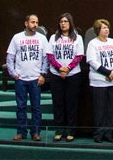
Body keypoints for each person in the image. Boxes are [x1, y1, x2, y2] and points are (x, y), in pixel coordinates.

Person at [6, 14, 48, 141]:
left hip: (36, 79)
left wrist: (43, 74)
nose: (35, 25)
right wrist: (13, 73)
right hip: (21, 79)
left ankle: (35, 132)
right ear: (26, 23)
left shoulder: (42, 38)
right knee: (21, 107)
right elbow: (10, 57)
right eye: (32, 22)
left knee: (36, 107)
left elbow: (46, 58)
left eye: (37, 22)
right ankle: (21, 132)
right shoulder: (17, 38)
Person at [47, 12, 85, 142]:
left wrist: (67, 68)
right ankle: (59, 130)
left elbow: (79, 56)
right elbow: (50, 56)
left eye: (65, 21)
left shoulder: (77, 38)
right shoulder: (53, 38)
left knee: (71, 103)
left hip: (73, 75)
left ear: (70, 23)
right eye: (61, 21)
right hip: (56, 75)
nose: (63, 24)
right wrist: (59, 68)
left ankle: (70, 130)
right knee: (58, 103)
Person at [87, 18, 113, 143]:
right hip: (98, 81)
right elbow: (92, 61)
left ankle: (108, 134)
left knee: (110, 109)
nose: (107, 29)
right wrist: (108, 73)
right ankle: (98, 134)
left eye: (107, 27)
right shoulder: (93, 43)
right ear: (98, 30)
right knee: (99, 109)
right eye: (104, 28)